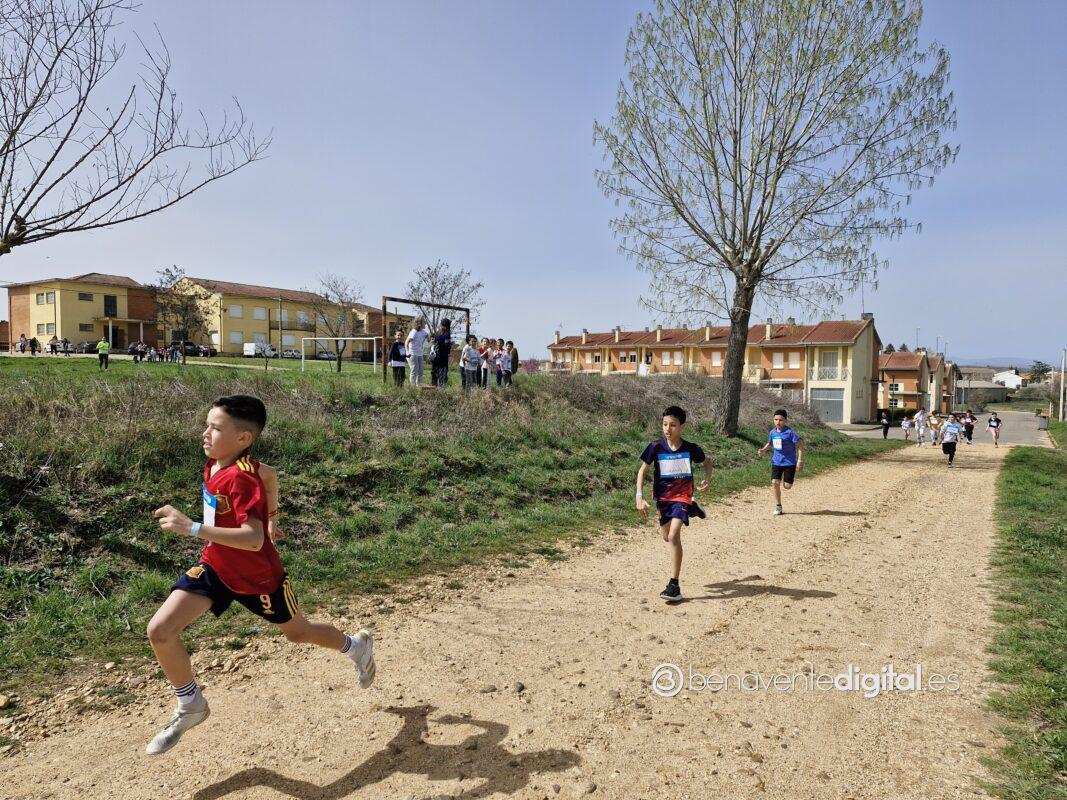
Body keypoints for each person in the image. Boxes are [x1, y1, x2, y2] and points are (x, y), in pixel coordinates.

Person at [145, 395, 375, 756]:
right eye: (207, 425)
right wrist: (273, 517)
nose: (205, 433)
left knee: (299, 633)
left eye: (215, 428)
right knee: (160, 630)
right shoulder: (222, 463)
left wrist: (192, 528)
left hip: (259, 579)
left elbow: (252, 540)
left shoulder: (241, 479)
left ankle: (356, 647)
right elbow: (270, 475)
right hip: (216, 567)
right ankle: (191, 705)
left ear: (243, 438)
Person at [635, 405, 709, 603]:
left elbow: (707, 462)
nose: (668, 429)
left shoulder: (691, 448)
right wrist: (639, 496)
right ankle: (693, 506)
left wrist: (707, 479)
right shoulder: (655, 447)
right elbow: (642, 471)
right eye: (665, 424)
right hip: (663, 498)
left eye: (673, 425)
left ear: (681, 426)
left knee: (674, 535)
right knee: (666, 537)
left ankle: (674, 585)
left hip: (682, 496)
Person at [757, 408, 804, 516]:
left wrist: (800, 460)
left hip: (789, 463)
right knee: (775, 482)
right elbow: (770, 443)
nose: (778, 422)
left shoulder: (790, 433)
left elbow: (801, 445)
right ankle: (778, 506)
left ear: (785, 421)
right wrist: (763, 450)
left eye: (781, 420)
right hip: (776, 462)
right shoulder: (772, 432)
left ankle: (788, 479)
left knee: (787, 486)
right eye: (776, 419)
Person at [405, 318, 428, 387]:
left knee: (420, 370)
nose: (425, 324)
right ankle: (413, 386)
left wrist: (430, 338)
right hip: (412, 353)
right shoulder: (414, 332)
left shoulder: (423, 332)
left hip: (420, 354)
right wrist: (407, 352)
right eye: (424, 322)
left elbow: (428, 338)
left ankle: (419, 385)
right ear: (419, 324)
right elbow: (406, 342)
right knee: (414, 370)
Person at [430, 318, 453, 388]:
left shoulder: (442, 334)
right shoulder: (444, 334)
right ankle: (437, 388)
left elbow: (442, 344)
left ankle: (437, 387)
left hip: (439, 358)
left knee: (438, 374)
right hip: (440, 358)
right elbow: (446, 346)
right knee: (439, 374)